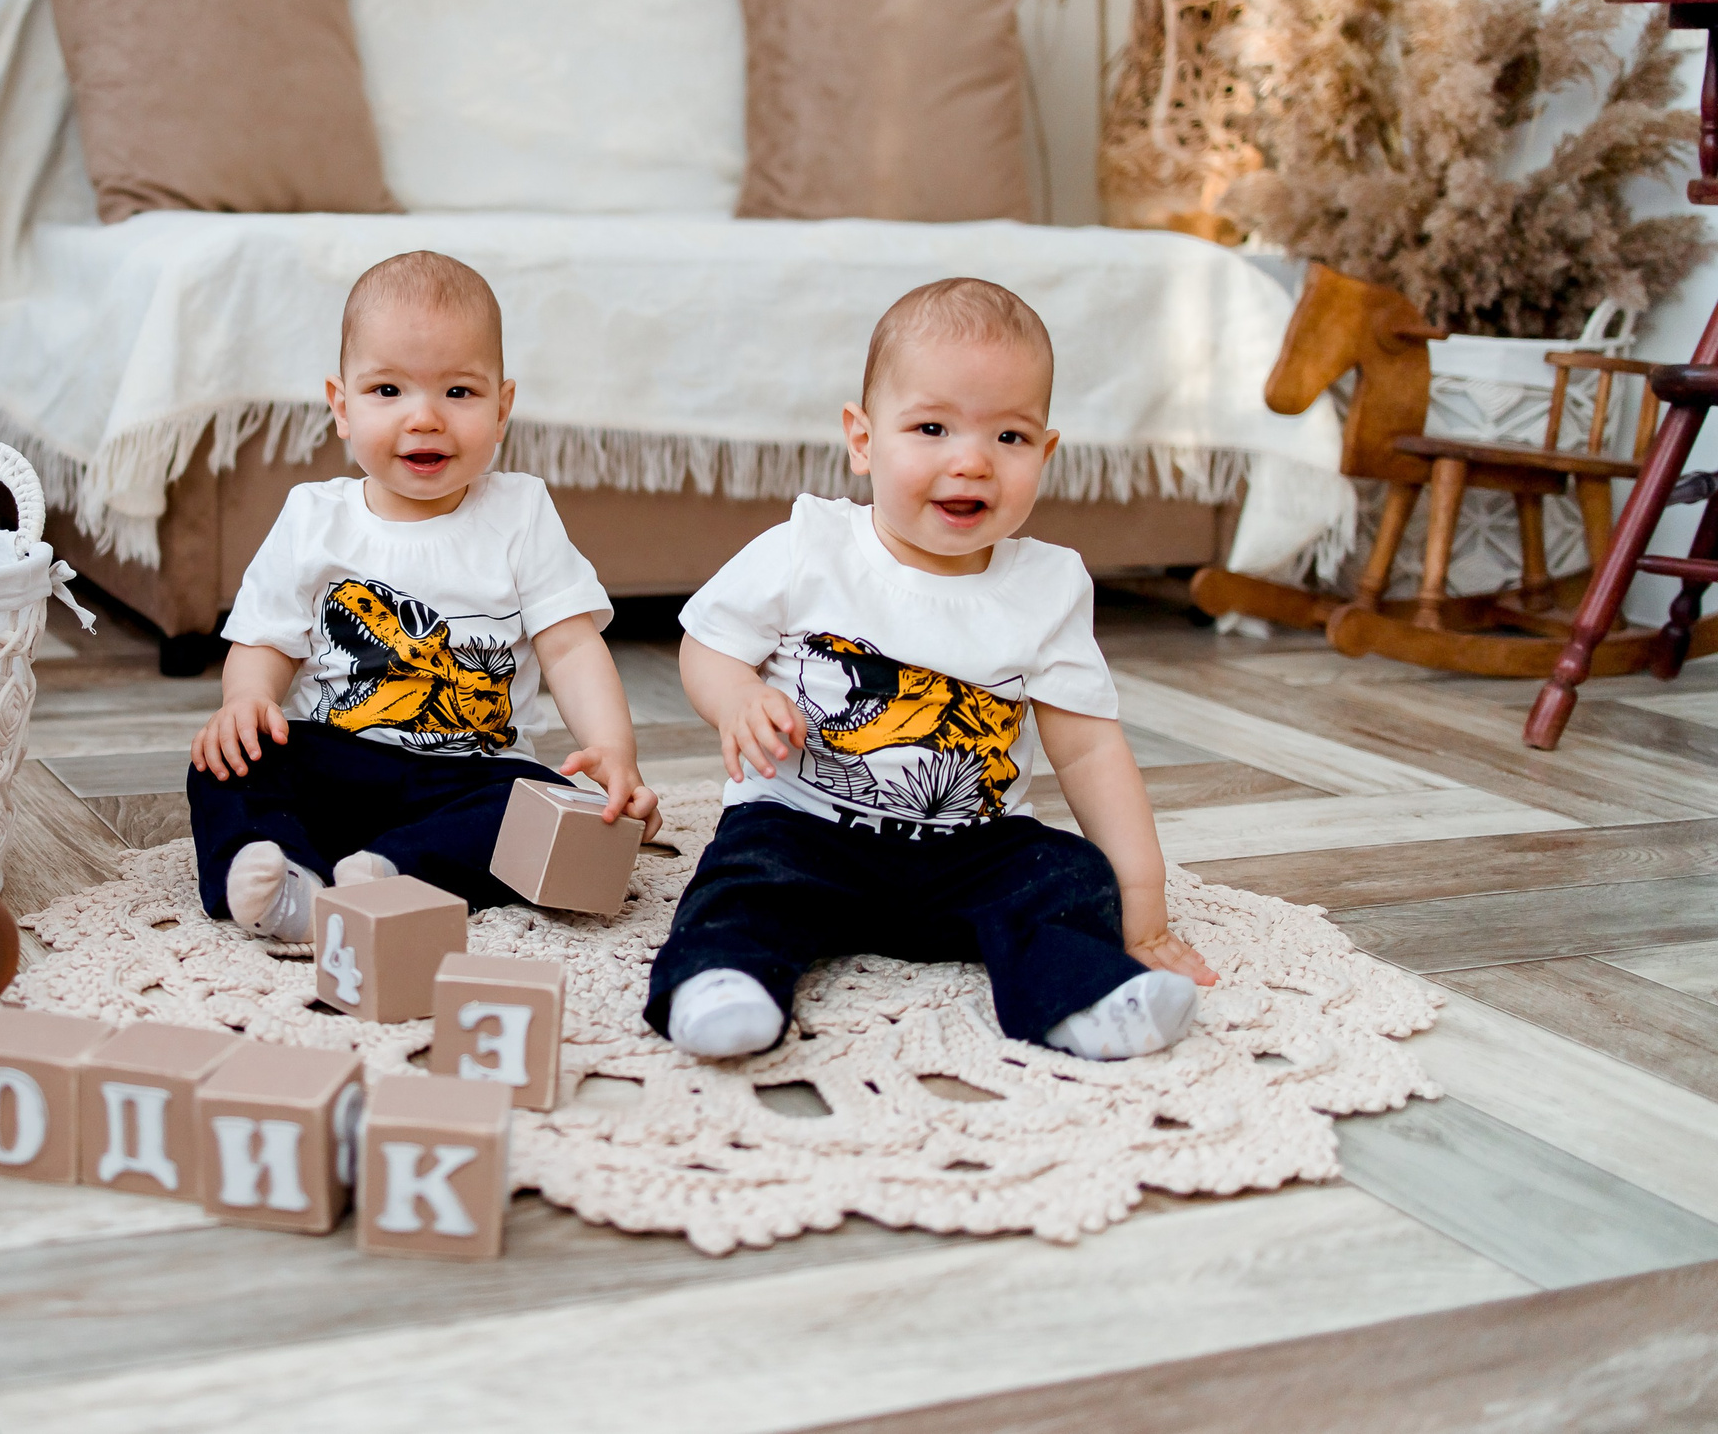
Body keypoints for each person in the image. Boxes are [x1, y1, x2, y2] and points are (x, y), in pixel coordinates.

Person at [651, 277, 1216, 1061]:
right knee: (743, 878)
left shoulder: (1046, 587)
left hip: (969, 854)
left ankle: (1081, 998)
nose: (972, 461)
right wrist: (737, 693)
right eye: (932, 427)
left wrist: (1143, 909)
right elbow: (708, 644)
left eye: (1009, 438)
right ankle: (721, 982)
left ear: (1046, 453)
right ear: (863, 439)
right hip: (806, 830)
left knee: (1063, 873)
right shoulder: (809, 546)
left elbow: (1089, 749)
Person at [187, 250, 660, 939]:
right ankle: (284, 873)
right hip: (340, 762)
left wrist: (614, 750)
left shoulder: (521, 512)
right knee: (226, 760)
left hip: (472, 774)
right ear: (341, 406)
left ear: (502, 409)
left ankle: (397, 871)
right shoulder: (315, 517)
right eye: (388, 391)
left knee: (548, 805)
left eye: (459, 393)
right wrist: (245, 700)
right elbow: (264, 638)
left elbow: (570, 644)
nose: (425, 418)